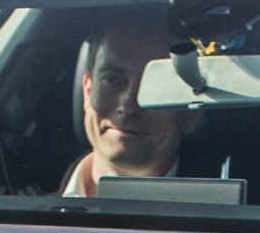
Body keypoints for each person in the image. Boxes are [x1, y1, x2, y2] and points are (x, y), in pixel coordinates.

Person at [58, 14, 198, 196]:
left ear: (193, 112)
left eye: (156, 84)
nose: (128, 105)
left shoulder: (227, 221)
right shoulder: (21, 215)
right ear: (88, 90)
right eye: (112, 79)